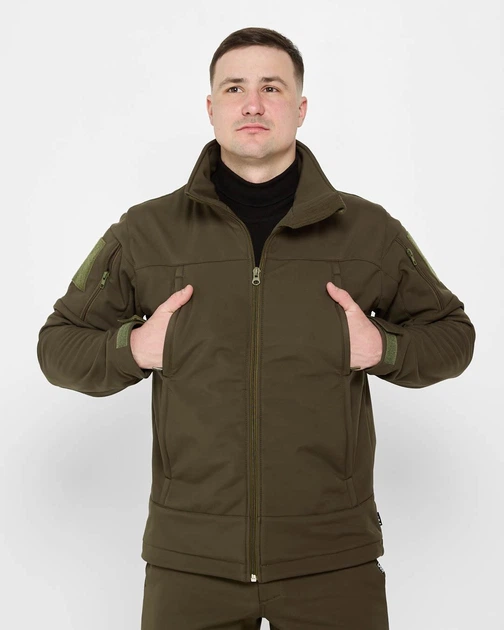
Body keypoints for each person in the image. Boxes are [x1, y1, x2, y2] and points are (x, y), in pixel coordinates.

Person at [37, 26, 476, 630]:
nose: (252, 104)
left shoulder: (369, 231)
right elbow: (58, 345)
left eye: (271, 87)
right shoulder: (145, 232)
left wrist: (384, 347)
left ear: (301, 107)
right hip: (191, 561)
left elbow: (454, 334)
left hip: (332, 557)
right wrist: (133, 347)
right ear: (210, 107)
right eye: (234, 88)